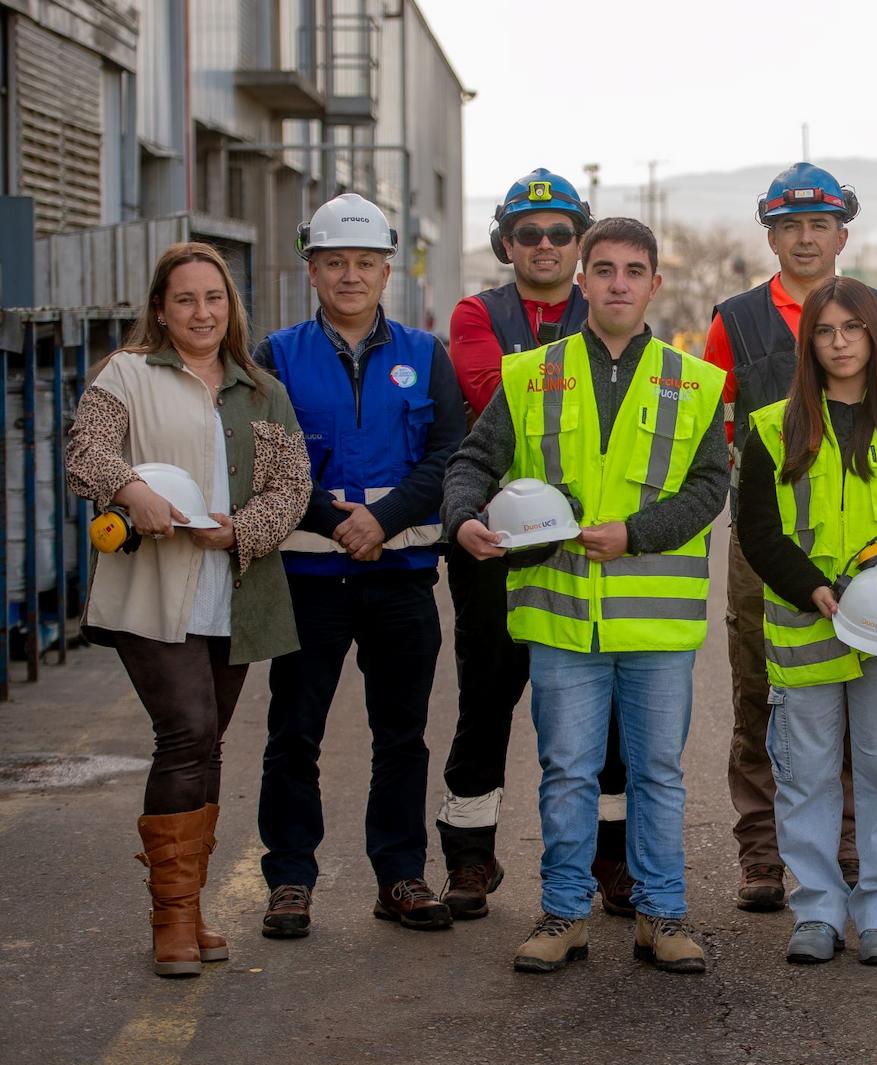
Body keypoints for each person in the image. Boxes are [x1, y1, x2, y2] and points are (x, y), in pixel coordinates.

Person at [444, 217, 729, 975]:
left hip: (656, 625)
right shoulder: (531, 374)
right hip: (563, 616)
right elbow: (474, 460)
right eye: (603, 270)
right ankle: (564, 913)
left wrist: (633, 533)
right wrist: (464, 517)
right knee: (567, 769)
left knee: (658, 772)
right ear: (583, 280)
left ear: (654, 284)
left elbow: (710, 488)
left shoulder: (693, 381)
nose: (617, 284)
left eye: (634, 271)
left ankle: (661, 915)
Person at [65, 241, 310, 976]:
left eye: (213, 298)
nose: (201, 312)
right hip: (153, 592)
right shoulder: (128, 375)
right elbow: (86, 451)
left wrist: (242, 529)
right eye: (185, 300)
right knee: (187, 733)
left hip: (234, 589)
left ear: (230, 305)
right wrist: (132, 492)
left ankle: (193, 906)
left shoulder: (259, 388)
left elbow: (292, 485)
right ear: (161, 310)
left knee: (207, 746)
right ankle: (169, 919)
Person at [736, 277, 877, 965]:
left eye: (853, 329)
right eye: (826, 331)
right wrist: (810, 587)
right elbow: (757, 530)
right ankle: (818, 910)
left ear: (875, 336)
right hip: (809, 629)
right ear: (809, 341)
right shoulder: (771, 426)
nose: (839, 343)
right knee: (805, 775)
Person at [254, 193, 467, 938]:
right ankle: (289, 879)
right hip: (308, 579)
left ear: (387, 271)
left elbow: (449, 455)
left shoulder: (424, 354)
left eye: (364, 263)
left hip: (401, 575)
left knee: (402, 735)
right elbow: (260, 459)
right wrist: (337, 522)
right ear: (311, 270)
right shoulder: (275, 357)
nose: (350, 276)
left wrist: (384, 519)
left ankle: (400, 875)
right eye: (334, 262)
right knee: (294, 734)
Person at [707, 162, 877, 911]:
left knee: (862, 689)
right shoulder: (734, 320)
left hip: (868, 540)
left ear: (842, 233)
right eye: (789, 225)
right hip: (766, 542)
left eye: (818, 224)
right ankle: (762, 853)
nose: (804, 238)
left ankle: (848, 844)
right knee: (759, 691)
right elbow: (715, 432)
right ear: (770, 234)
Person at [439, 168, 635, 921]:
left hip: (588, 540)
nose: (546, 245)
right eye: (530, 234)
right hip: (496, 540)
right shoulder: (475, 311)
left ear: (581, 244)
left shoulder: (608, 303)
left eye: (561, 233)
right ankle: (469, 853)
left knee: (608, 708)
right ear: (506, 243)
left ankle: (609, 857)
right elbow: (495, 391)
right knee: (487, 694)